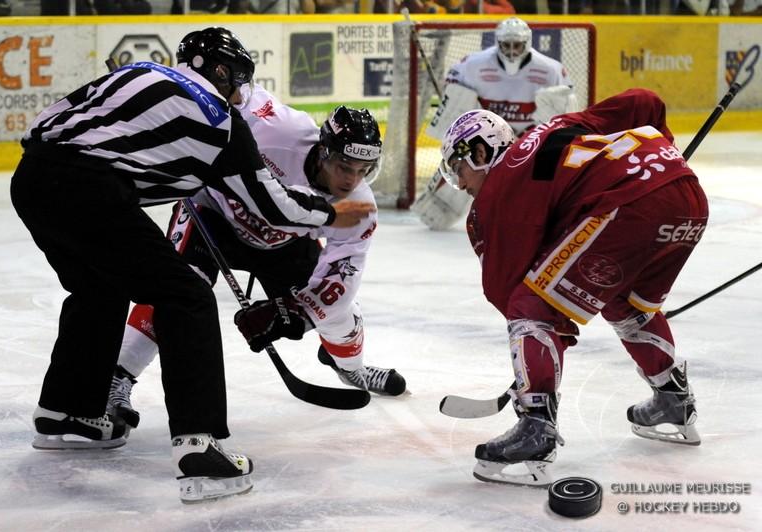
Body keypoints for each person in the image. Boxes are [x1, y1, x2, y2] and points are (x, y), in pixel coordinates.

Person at [10, 27, 375, 503]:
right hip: (92, 191)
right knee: (187, 296)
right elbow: (271, 207)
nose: (241, 94)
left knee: (98, 288)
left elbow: (42, 126)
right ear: (224, 73)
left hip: (33, 178)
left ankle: (67, 413)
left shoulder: (135, 73)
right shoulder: (221, 117)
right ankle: (201, 446)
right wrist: (331, 213)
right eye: (238, 83)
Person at [438, 88, 705, 486]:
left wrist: (534, 362)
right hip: (688, 196)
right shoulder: (558, 127)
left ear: (479, 153)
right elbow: (643, 101)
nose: (460, 186)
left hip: (629, 205)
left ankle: (536, 429)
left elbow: (507, 292)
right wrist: (663, 150)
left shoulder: (498, 190)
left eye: (457, 170)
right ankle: (672, 399)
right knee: (624, 304)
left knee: (530, 308)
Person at [106, 90, 407, 433]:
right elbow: (232, 100)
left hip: (285, 241)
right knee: (177, 288)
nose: (352, 180)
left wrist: (295, 316)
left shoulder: (359, 205)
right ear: (324, 152)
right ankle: (117, 379)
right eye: (344, 166)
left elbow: (342, 276)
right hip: (214, 214)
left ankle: (351, 366)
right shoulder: (279, 130)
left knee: (340, 313)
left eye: (363, 170)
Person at [413, 16, 577, 230]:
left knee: (560, 100)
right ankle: (442, 200)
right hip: (486, 139)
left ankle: (547, 203)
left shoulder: (550, 69)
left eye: (517, 45)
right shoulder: (473, 64)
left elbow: (566, 111)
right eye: (506, 45)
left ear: (527, 43)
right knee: (435, 214)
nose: (511, 51)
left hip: (530, 139)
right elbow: (453, 86)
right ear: (497, 43)